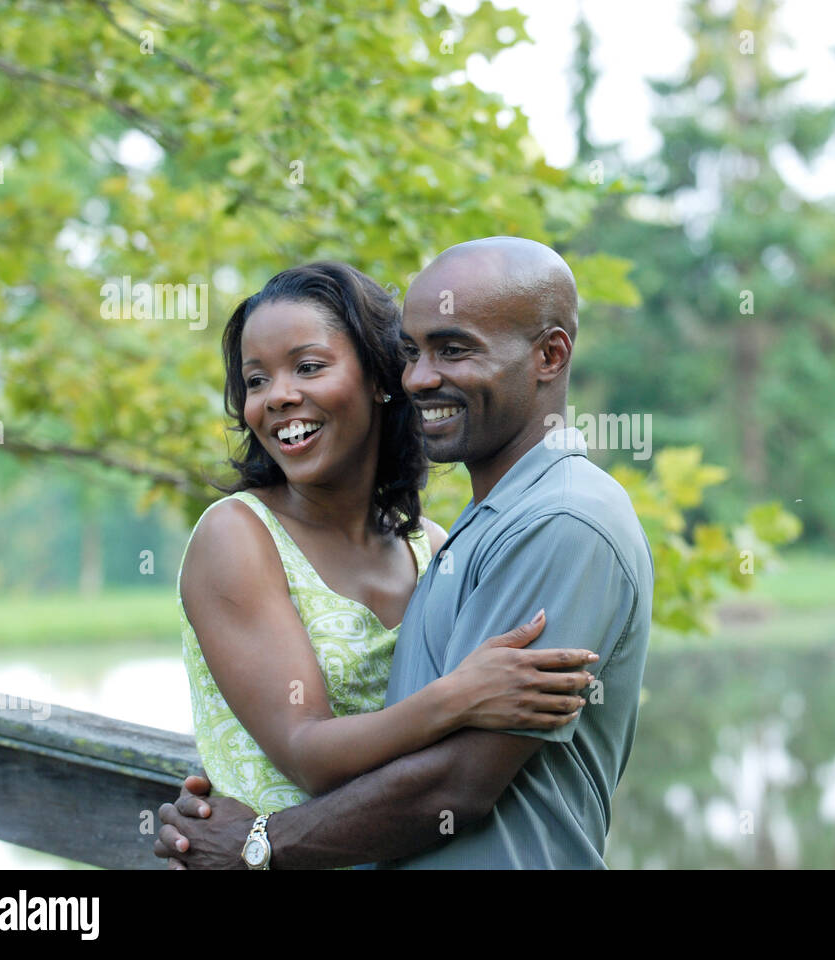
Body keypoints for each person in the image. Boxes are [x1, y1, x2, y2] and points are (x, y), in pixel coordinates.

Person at [155, 238, 654, 869]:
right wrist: (457, 696)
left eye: (309, 367)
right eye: (255, 380)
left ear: (377, 382)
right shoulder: (238, 535)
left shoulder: (440, 545)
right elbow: (307, 749)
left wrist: (258, 844)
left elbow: (457, 782)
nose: (278, 395)